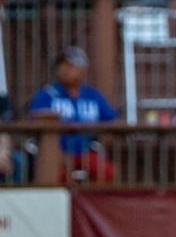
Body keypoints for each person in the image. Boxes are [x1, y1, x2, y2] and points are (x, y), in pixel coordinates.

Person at [29, 46, 117, 182]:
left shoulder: (92, 95)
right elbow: (36, 121)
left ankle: (93, 202)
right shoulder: (47, 94)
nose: (65, 70)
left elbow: (110, 119)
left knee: (106, 172)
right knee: (55, 174)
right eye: (62, 65)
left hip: (85, 151)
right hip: (56, 153)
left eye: (71, 66)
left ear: (83, 70)